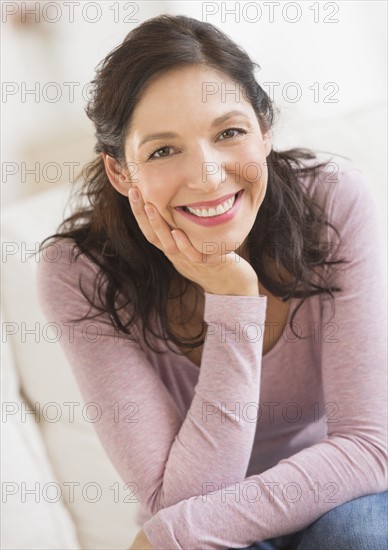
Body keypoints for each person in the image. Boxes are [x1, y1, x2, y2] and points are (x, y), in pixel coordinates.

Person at [36, 14, 387, 550]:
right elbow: (180, 498)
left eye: (229, 132)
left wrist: (171, 535)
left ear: (264, 129)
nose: (207, 174)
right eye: (162, 150)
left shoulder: (333, 203)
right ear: (120, 172)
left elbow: (369, 447)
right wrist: (231, 301)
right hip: (207, 516)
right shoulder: (80, 270)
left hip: (339, 491)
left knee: (355, 534)